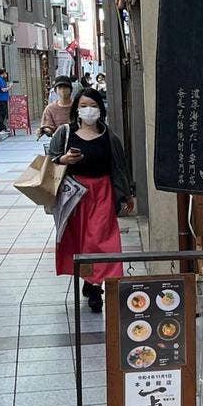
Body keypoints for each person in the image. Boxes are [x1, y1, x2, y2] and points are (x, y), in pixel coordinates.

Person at [48, 88, 134, 313]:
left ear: (101, 109)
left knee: (102, 240)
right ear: (76, 109)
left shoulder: (109, 136)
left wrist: (126, 194)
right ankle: (90, 281)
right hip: (74, 195)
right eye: (84, 105)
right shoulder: (65, 132)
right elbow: (50, 161)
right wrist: (64, 159)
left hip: (102, 192)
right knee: (82, 243)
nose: (89, 110)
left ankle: (98, 287)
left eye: (94, 106)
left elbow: (119, 167)